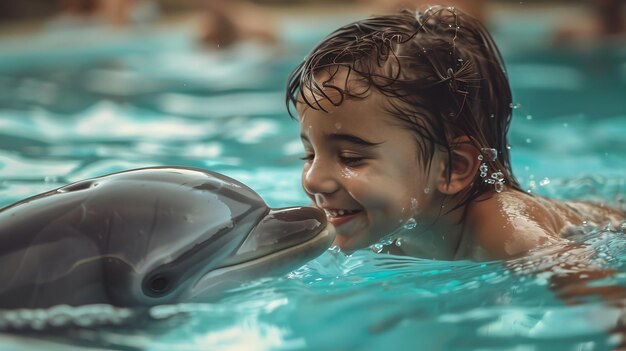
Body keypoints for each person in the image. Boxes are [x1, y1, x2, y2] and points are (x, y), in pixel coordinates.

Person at [285, 6, 624, 261]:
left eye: (351, 158)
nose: (314, 181)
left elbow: (606, 308)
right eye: (310, 154)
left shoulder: (511, 236)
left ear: (453, 168)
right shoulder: (388, 222)